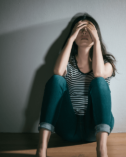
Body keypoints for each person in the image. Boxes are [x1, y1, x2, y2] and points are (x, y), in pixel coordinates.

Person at [35, 13, 117, 157]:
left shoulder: (106, 65)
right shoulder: (68, 63)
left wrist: (97, 40)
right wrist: (71, 38)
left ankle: (102, 150)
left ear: (96, 33)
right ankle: (41, 149)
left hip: (94, 128)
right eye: (80, 29)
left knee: (99, 81)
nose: (84, 32)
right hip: (68, 127)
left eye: (88, 29)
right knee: (56, 79)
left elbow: (98, 73)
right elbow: (58, 71)